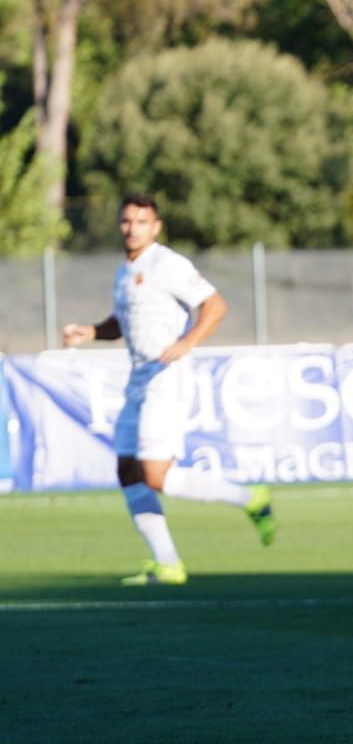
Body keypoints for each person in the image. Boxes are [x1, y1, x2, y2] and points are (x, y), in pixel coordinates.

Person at [59, 193, 277, 585]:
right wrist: (91, 331)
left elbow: (214, 305)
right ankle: (168, 563)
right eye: (126, 221)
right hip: (139, 377)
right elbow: (124, 323)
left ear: (156, 226)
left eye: (141, 222)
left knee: (156, 474)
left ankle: (251, 498)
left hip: (167, 377)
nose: (132, 228)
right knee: (127, 469)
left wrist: (189, 341)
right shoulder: (125, 271)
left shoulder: (168, 263)